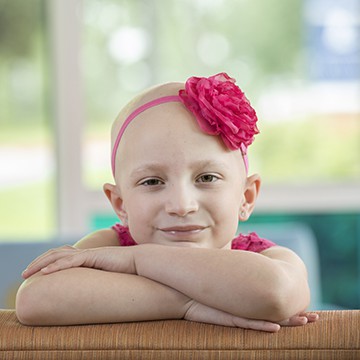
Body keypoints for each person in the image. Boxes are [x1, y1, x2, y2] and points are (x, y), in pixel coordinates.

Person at [16, 73, 318, 331]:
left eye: (207, 178)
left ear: (246, 196)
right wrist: (187, 301)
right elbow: (34, 299)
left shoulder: (266, 257)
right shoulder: (110, 245)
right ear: (121, 205)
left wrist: (137, 261)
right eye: (152, 182)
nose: (181, 205)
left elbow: (277, 294)